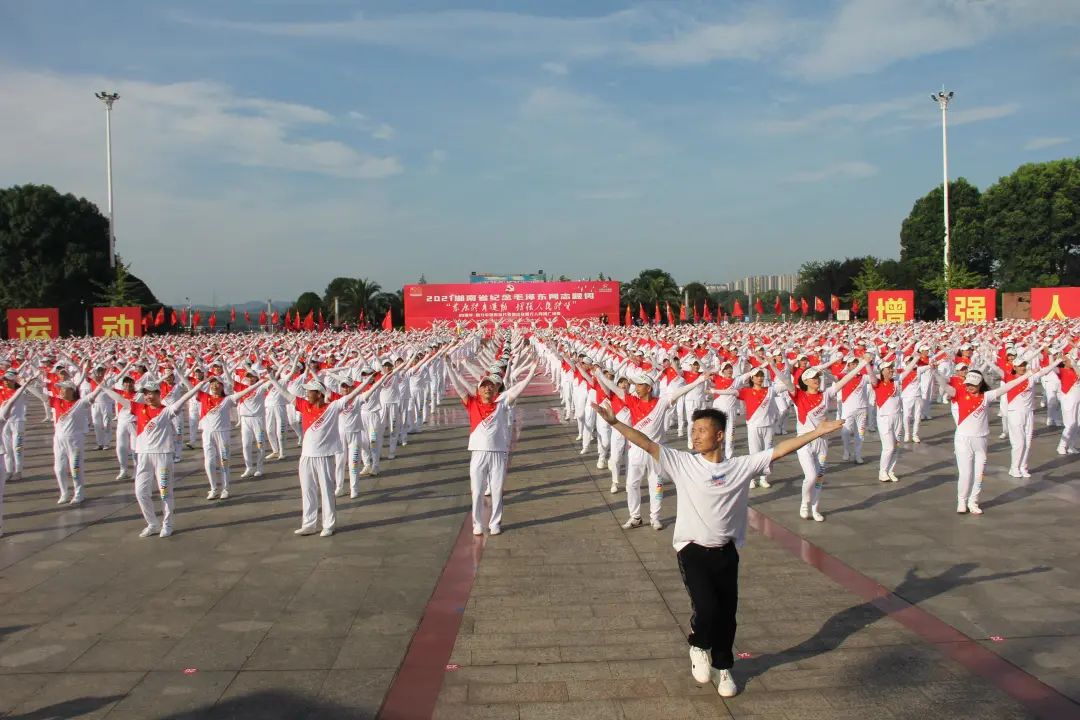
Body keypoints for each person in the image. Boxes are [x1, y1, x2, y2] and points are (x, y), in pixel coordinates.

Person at [593, 402, 843, 698]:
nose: (695, 436)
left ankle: (724, 668)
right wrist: (614, 424)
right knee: (707, 608)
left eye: (701, 431)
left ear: (720, 435)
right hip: (692, 550)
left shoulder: (739, 467)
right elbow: (646, 443)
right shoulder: (682, 462)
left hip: (726, 552)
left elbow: (780, 449)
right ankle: (698, 645)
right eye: (693, 430)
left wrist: (817, 432)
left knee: (727, 615)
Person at [265, 368, 391, 537]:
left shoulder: (332, 407)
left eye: (310, 391)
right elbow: (286, 395)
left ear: (319, 393)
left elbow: (351, 396)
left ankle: (328, 524)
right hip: (306, 456)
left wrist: (368, 383)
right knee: (308, 491)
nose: (307, 393)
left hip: (324, 456)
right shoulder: (304, 405)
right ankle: (309, 524)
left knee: (326, 491)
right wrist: (273, 380)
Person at [446, 354, 538, 536]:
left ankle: (495, 523)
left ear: (496, 390)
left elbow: (518, 390)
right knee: (477, 491)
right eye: (484, 386)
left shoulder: (503, 402)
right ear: (478, 390)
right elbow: (458, 385)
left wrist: (531, 372)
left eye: (491, 386)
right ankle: (478, 523)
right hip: (478, 452)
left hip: (498, 453)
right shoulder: (471, 403)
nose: (487, 389)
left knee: (496, 491)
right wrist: (449, 366)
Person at [104, 376, 206, 537]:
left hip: (162, 455)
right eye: (146, 393)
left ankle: (168, 524)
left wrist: (198, 386)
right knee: (140, 492)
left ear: (159, 394)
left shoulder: (166, 411)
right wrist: (104, 388)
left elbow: (184, 398)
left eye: (152, 393)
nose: (148, 396)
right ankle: (152, 523)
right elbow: (119, 399)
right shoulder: (138, 408)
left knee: (165, 492)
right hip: (143, 455)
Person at [935, 367, 1037, 515]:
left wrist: (1027, 375)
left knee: (979, 474)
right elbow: (944, 386)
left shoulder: (986, 397)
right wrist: (935, 372)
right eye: (968, 383)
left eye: (973, 384)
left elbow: (1009, 386)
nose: (969, 387)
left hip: (981, 440)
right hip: (963, 440)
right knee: (965, 473)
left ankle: (973, 501)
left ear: (980, 384)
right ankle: (962, 501)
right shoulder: (959, 394)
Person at [788, 356, 868, 521]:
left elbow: (845, 380)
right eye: (813, 378)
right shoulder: (799, 396)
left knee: (819, 478)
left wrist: (862, 364)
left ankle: (815, 508)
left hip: (823, 442)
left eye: (818, 377)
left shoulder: (826, 394)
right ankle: (805, 503)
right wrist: (774, 365)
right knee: (810, 476)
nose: (817, 380)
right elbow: (787, 381)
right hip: (804, 441)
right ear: (806, 381)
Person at [0, 378, 36, 537]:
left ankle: (18, 470)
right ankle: (9, 471)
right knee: (8, 450)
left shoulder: (18, 394)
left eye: (8, 380)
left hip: (17, 422)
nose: (5, 382)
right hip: (7, 426)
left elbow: (12, 400)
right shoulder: (2, 391)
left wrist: (25, 384)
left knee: (16, 448)